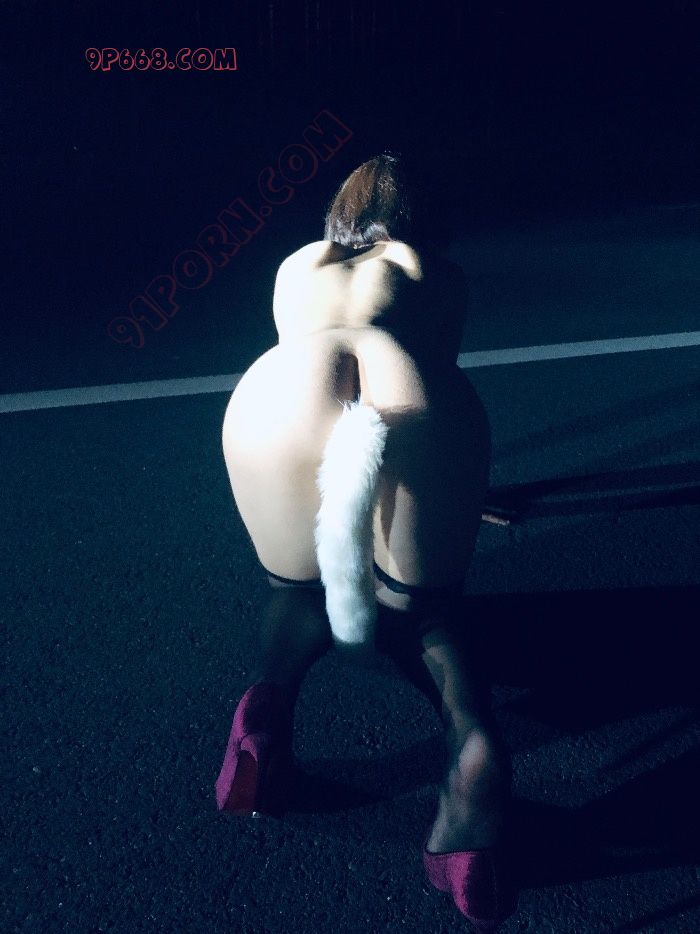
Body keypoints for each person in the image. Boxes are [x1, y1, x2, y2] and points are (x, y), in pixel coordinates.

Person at [215, 153, 517, 928]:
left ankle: (264, 716)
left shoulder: (299, 263)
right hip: (410, 384)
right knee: (427, 611)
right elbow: (437, 368)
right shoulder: (433, 270)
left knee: (294, 591)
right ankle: (472, 749)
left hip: (278, 389)